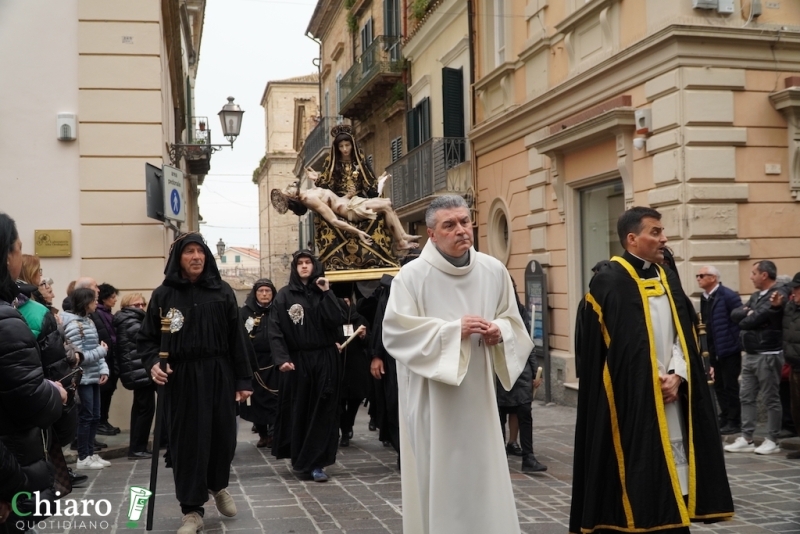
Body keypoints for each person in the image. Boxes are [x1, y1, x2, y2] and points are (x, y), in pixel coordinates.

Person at [570, 206, 733, 533]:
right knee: (634, 478)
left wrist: (678, 374)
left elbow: (683, 335)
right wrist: (644, 378)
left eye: (662, 232)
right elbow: (594, 355)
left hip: (671, 396)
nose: (664, 238)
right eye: (655, 232)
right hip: (630, 404)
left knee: (675, 477)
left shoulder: (667, 277)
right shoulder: (607, 283)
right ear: (632, 238)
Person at [381, 195, 534, 534]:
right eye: (450, 225)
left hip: (477, 395)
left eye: (465, 222)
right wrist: (453, 332)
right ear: (432, 234)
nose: (461, 230)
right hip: (432, 397)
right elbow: (395, 333)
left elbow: (514, 323)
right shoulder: (411, 277)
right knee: (440, 472)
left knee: (481, 471)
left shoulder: (493, 270)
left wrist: (499, 332)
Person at [140, 233, 253, 534]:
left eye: (200, 252)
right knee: (189, 443)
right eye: (189, 251)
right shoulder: (164, 295)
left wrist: (243, 380)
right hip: (182, 380)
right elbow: (146, 339)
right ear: (178, 258)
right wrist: (153, 363)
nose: (196, 257)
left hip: (219, 373)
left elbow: (237, 340)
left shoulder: (223, 292)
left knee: (222, 437)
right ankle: (191, 510)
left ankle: (218, 486)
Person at [0, 213, 67, 528]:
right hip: (11, 468)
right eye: (17, 248)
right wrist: (54, 393)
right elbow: (31, 398)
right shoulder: (9, 319)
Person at [268, 250, 346, 483]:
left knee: (323, 408)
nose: (304, 267)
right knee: (300, 408)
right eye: (300, 263)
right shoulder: (284, 296)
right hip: (298, 360)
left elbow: (336, 320)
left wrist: (327, 292)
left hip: (324, 358)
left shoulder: (323, 292)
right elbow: (275, 330)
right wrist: (281, 358)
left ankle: (317, 463)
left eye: (308, 263)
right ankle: (301, 457)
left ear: (315, 266)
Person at [726, 260, 786, 455]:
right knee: (746, 396)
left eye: (753, 273)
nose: (750, 277)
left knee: (770, 398)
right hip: (751, 353)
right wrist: (748, 313)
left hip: (767, 353)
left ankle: (772, 439)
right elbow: (736, 315)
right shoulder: (755, 296)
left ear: (764, 275)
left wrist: (749, 315)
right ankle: (747, 437)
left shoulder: (778, 294)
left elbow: (752, 320)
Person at [271, 177, 420, 251]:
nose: (288, 188)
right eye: (287, 193)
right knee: (386, 205)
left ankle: (402, 235)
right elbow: (334, 220)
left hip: (350, 202)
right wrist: (358, 232)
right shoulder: (308, 199)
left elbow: (334, 199)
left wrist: (347, 196)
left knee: (387, 201)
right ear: (293, 198)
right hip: (350, 211)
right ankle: (400, 242)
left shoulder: (309, 191)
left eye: (286, 190)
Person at [497, 283, 547, 473]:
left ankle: (529, 457)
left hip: (521, 371)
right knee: (499, 415)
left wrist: (535, 372)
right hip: (499, 371)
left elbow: (528, 342)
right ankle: (499, 456)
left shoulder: (520, 311)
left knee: (524, 413)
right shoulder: (490, 308)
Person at [61, 288, 111, 471]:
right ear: (85, 302)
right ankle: (83, 456)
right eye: (93, 300)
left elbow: (96, 348)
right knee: (87, 416)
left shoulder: (88, 321)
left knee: (95, 416)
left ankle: (90, 453)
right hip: (82, 377)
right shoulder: (75, 326)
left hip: (93, 375)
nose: (96, 303)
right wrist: (101, 352)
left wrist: (103, 369)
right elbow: (78, 357)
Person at [696, 265, 743, 435]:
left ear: (713, 278)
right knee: (718, 385)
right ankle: (724, 416)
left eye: (702, 275)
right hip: (712, 349)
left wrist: (733, 341)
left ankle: (734, 421)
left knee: (730, 385)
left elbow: (739, 319)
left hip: (728, 348)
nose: (698, 278)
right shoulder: (704, 297)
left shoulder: (728, 295)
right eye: (697, 276)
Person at [239, 278, 280, 449]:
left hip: (274, 361)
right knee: (257, 400)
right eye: (261, 291)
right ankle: (263, 434)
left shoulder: (278, 310)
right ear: (255, 293)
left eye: (268, 291)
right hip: (254, 363)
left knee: (275, 399)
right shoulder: (245, 312)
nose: (264, 294)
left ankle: (274, 433)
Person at [114, 293, 154, 460]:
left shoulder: (131, 318)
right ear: (127, 306)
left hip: (138, 370)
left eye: (142, 304)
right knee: (144, 409)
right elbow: (146, 337)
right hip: (138, 371)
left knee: (142, 408)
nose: (140, 307)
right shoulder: (130, 320)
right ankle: (137, 448)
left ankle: (139, 447)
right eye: (136, 304)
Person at [770, 272, 800, 459]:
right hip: (794, 365)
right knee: (796, 409)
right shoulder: (790, 307)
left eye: (796, 288)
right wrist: (774, 309)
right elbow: (777, 326)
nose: (793, 292)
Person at [311, 124, 380, 199]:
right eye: (341, 146)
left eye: (347, 145)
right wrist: (317, 179)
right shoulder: (331, 162)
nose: (344, 149)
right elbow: (327, 187)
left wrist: (378, 184)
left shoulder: (360, 160)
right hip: (339, 200)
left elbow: (369, 183)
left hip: (359, 199)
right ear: (337, 148)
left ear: (352, 145)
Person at [337, 295, 370, 448]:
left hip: (357, 365)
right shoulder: (334, 319)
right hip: (339, 365)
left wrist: (364, 337)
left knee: (356, 398)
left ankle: (349, 423)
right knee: (340, 400)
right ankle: (344, 430)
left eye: (348, 301)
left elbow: (369, 342)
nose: (346, 305)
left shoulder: (360, 319)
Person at [93, 283, 121, 436]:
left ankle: (104, 420)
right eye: (112, 297)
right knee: (104, 391)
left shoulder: (107, 313)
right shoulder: (100, 313)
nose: (115, 299)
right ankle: (101, 422)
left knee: (108, 391)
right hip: (106, 358)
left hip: (110, 357)